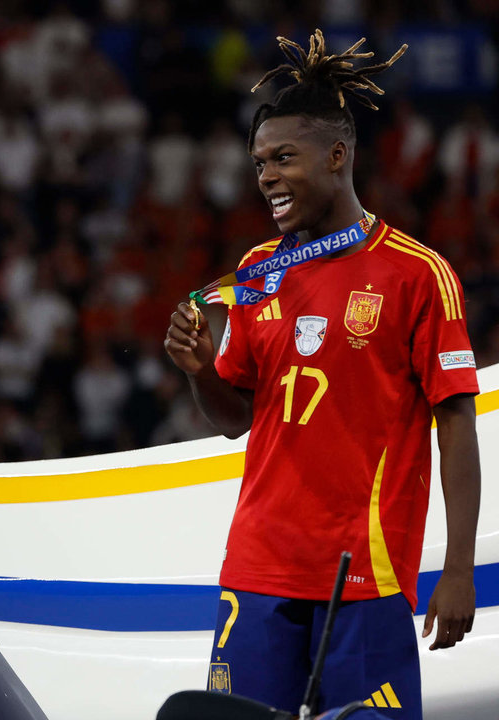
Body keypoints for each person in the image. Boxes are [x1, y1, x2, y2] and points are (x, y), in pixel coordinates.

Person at [164, 31, 480, 719]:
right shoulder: (255, 273)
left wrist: (457, 572)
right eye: (258, 164)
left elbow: (455, 422)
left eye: (283, 159)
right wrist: (197, 371)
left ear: (337, 157)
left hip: (364, 575)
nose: (266, 177)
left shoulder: (417, 274)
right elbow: (234, 420)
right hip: (258, 568)